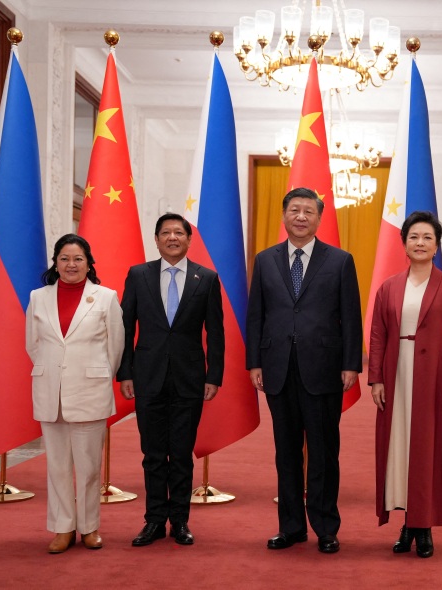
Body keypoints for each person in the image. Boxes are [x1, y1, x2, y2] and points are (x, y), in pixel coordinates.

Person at [246, 187, 363, 554]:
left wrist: (350, 364)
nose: (300, 216)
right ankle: (292, 527)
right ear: (284, 216)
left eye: (308, 211)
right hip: (278, 368)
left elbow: (351, 317)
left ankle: (326, 527)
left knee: (325, 452)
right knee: (286, 453)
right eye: (294, 210)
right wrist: (255, 362)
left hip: (324, 369)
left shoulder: (340, 260)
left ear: (319, 218)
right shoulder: (265, 260)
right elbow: (256, 316)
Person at [118, 213, 224, 547]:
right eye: (166, 232)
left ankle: (179, 521)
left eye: (179, 232)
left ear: (189, 240)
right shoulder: (139, 275)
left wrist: (214, 376)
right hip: (147, 376)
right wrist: (125, 372)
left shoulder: (205, 278)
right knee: (152, 453)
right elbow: (125, 326)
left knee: (180, 453)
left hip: (190, 379)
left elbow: (216, 333)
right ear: (156, 238)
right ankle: (153, 521)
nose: (173, 237)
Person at [368, 211, 442, 558]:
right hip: (397, 376)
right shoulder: (389, 287)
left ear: (437, 244)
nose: (420, 243)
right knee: (400, 447)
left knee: (428, 448)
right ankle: (407, 522)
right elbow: (378, 335)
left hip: (435, 378)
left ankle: (422, 528)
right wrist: (376, 378)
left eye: (427, 237)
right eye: (414, 237)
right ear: (404, 244)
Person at [25, 234, 124, 554]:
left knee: (89, 466)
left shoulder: (106, 297)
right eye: (65, 258)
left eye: (78, 259)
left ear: (88, 263)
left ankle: (89, 527)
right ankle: (62, 528)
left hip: (89, 390)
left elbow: (115, 348)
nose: (71, 264)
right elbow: (34, 345)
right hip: (50, 390)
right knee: (56, 466)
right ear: (56, 262)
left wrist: (93, 372)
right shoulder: (38, 297)